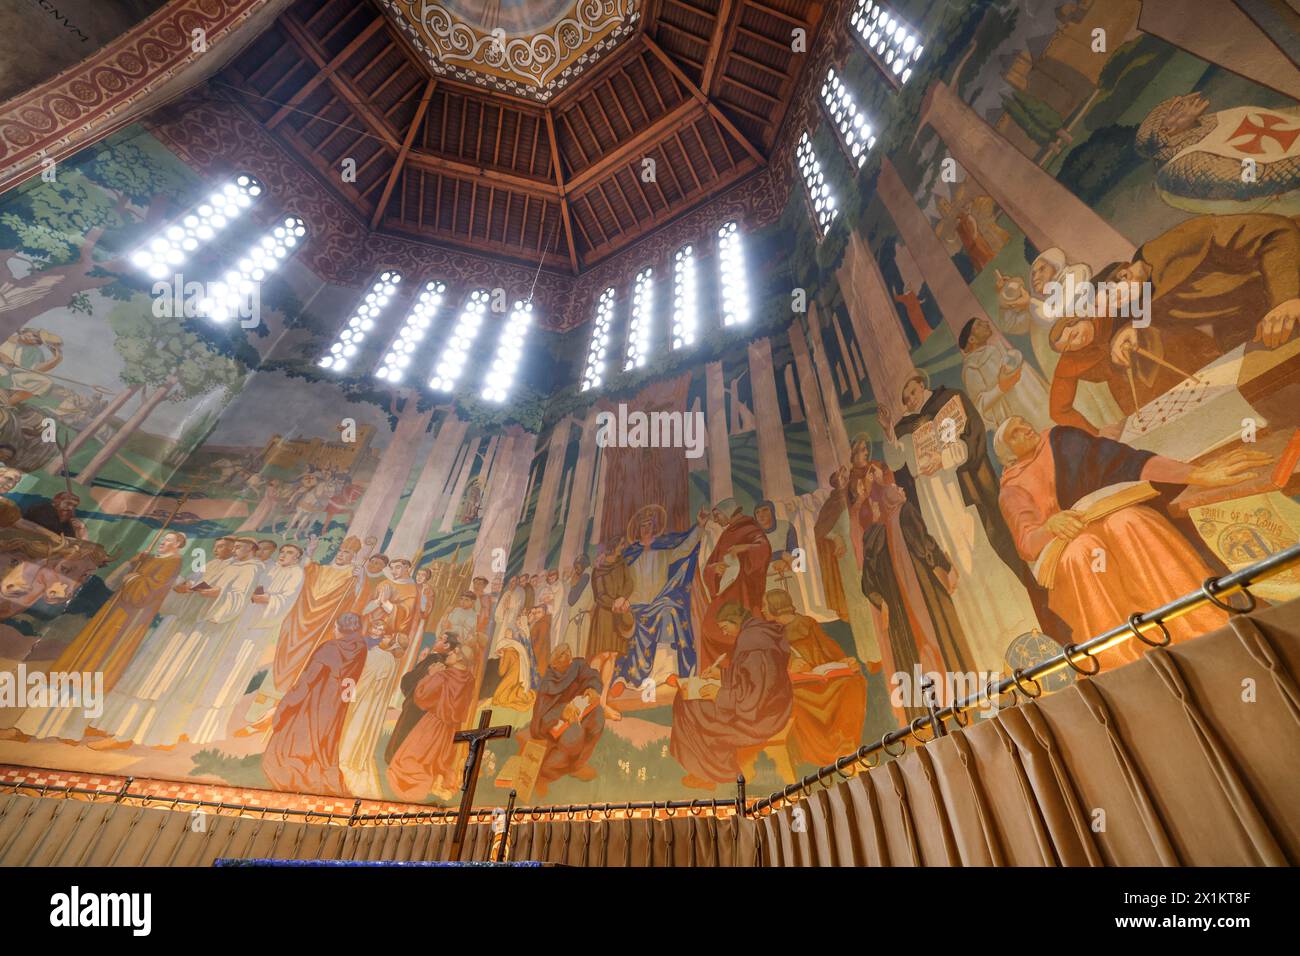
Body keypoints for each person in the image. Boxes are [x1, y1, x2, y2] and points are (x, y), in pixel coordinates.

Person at [995, 415, 1270, 670]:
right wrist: (1049, 527)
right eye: (1015, 434)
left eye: (1023, 424)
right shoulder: (1011, 489)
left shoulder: (1062, 440)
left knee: (1131, 522)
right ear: (1008, 456)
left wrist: (1193, 474)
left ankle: (1201, 622)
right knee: (1084, 552)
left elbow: (1123, 461)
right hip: (1065, 545)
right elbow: (1027, 543)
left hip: (1109, 515)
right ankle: (1125, 659)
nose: (1026, 429)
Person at [7, 530, 186, 742]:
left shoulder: (171, 563)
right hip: (108, 619)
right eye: (163, 539)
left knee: (93, 674)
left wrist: (135, 577)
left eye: (168, 541)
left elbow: (143, 594)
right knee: (73, 667)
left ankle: (65, 731)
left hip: (124, 624)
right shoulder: (152, 560)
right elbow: (112, 584)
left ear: (178, 546)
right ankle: (31, 727)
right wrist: (132, 564)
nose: (163, 543)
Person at [238, 535, 362, 735]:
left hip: (316, 634)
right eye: (340, 551)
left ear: (354, 557)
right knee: (280, 664)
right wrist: (311, 551)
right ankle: (257, 715)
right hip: (296, 627)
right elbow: (305, 574)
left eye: (347, 553)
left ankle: (280, 719)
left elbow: (352, 603)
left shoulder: (351, 578)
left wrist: (358, 580)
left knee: (302, 672)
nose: (341, 555)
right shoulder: (320, 570)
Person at [670, 602, 792, 790]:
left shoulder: (753, 641)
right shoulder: (756, 634)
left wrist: (719, 694)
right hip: (763, 706)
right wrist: (721, 675)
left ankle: (715, 772)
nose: (725, 633)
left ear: (735, 621)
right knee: (684, 698)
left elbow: (756, 695)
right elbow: (750, 677)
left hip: (763, 717)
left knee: (692, 707)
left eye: (725, 628)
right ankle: (706, 769)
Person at [262, 613, 369, 797]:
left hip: (315, 701)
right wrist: (344, 704)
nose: (333, 630)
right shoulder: (361, 648)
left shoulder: (329, 648)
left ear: (341, 629)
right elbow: (352, 679)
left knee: (298, 739)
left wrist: (287, 703)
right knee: (325, 739)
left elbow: (308, 680)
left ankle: (300, 766)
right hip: (337, 703)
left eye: (335, 627)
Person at [764, 589, 867, 767]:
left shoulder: (807, 623)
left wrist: (844, 661)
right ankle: (818, 754)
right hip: (795, 685)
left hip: (820, 678)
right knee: (794, 701)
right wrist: (789, 667)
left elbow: (827, 647)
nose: (762, 610)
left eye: (765, 605)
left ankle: (846, 746)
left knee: (854, 682)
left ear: (775, 606)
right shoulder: (769, 635)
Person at [386, 633, 477, 802]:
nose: (448, 656)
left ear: (459, 659)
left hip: (432, 723)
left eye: (452, 653)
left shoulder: (444, 676)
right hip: (448, 728)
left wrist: (430, 674)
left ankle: (412, 785)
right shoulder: (469, 679)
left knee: (410, 759)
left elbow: (421, 696)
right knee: (434, 759)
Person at [698, 499, 771, 670]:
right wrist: (715, 569)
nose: (716, 520)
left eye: (717, 516)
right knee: (709, 628)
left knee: (743, 629)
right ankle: (720, 670)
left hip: (743, 590)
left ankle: (745, 668)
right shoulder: (727, 533)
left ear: (729, 512)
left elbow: (764, 549)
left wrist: (744, 548)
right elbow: (711, 564)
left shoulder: (750, 528)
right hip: (725, 590)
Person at [528, 643, 604, 798]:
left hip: (580, 710)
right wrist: (562, 711)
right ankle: (545, 775)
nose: (568, 654)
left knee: (598, 718)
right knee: (574, 736)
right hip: (556, 722)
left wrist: (592, 689)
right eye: (563, 654)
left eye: (568, 650)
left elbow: (592, 676)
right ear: (554, 663)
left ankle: (577, 765)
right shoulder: (548, 683)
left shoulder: (577, 665)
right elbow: (541, 717)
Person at [958, 316, 1051, 431]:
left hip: (1032, 397)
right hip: (1017, 411)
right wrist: (1001, 387)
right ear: (971, 340)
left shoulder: (995, 348)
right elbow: (979, 405)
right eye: (979, 325)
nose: (986, 323)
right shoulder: (972, 367)